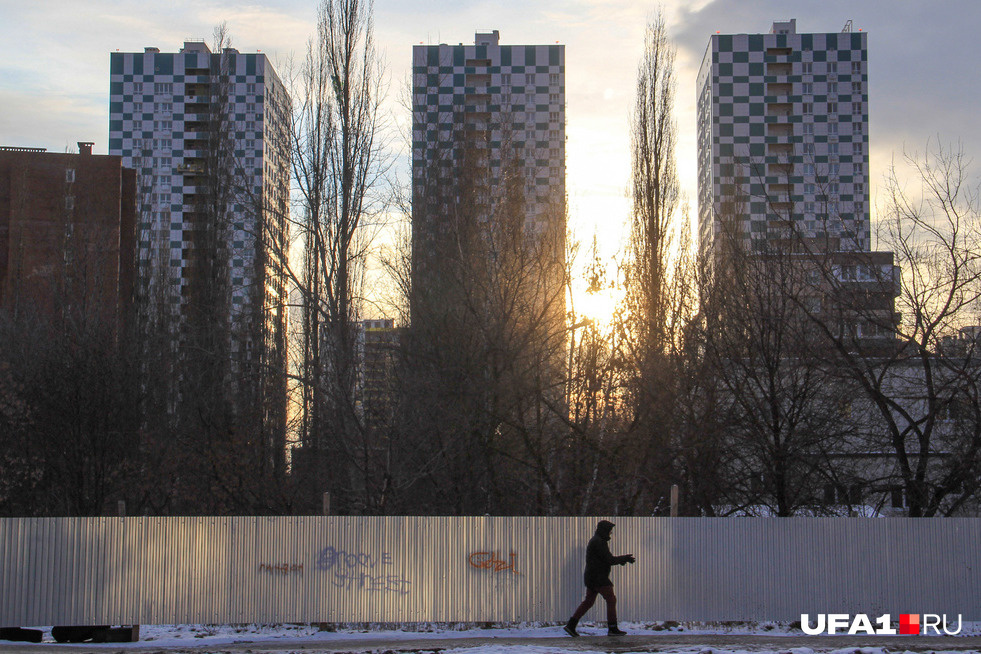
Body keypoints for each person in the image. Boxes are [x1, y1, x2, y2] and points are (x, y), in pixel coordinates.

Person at [564, 519, 635, 637]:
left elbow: (605, 560)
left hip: (592, 577)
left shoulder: (597, 540)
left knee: (588, 602)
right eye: (609, 530)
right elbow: (609, 560)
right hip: (598, 578)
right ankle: (612, 628)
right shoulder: (598, 542)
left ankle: (571, 625)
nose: (611, 533)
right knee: (611, 599)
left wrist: (622, 560)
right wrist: (624, 559)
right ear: (604, 530)